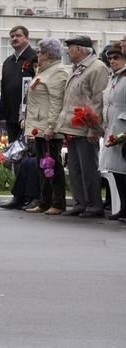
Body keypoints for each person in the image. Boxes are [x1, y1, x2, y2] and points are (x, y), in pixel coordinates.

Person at [56, 35, 109, 218]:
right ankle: (80, 203)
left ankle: (94, 205)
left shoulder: (97, 68)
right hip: (72, 126)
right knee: (75, 169)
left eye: (70, 48)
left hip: (86, 126)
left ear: (80, 49)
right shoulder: (77, 68)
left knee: (88, 168)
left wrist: (93, 128)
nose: (68, 52)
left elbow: (98, 101)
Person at [22, 37, 68, 215]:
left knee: (53, 166)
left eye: (40, 52)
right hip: (39, 126)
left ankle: (57, 203)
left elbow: (57, 102)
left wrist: (51, 126)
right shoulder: (43, 71)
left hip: (49, 128)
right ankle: (44, 201)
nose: (37, 55)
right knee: (43, 166)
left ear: (48, 55)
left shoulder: (57, 72)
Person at [100, 41, 126, 220]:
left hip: (123, 125)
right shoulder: (112, 78)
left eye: (116, 57)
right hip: (111, 126)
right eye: (109, 58)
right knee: (116, 170)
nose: (112, 61)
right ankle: (124, 206)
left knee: (124, 169)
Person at [0, 26, 36, 144]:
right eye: (12, 36)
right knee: (14, 152)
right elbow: (4, 89)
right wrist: (3, 115)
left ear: (27, 38)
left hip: (29, 115)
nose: (14, 38)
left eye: (18, 36)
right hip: (11, 116)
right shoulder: (8, 62)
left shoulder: (35, 58)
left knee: (29, 152)